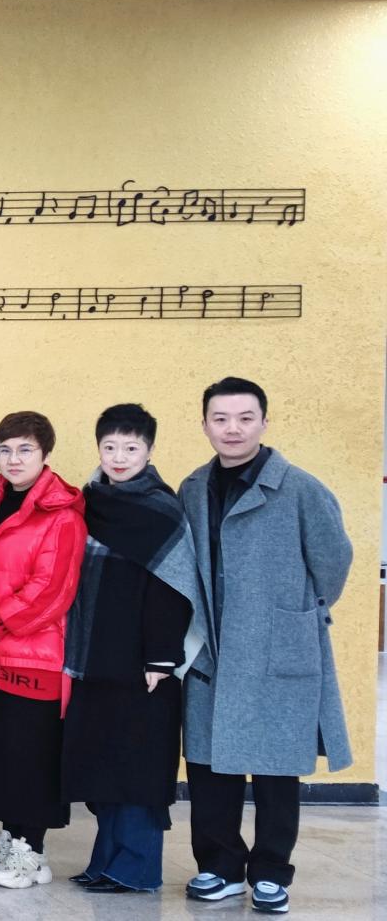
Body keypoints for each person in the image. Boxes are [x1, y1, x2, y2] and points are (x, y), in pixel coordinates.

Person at [178, 377, 351, 915]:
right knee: (209, 763)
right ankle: (220, 866)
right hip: (212, 647)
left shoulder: (300, 488)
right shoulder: (192, 487)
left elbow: (333, 563)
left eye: (244, 417)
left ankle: (272, 871)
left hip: (276, 646)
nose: (232, 428)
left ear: (264, 423)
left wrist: (295, 617)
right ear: (205, 424)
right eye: (221, 418)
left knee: (277, 767)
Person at [61, 404, 199, 894]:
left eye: (131, 448)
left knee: (138, 768)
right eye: (110, 447)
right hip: (93, 656)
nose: (119, 458)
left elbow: (174, 589)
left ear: (149, 451)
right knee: (103, 763)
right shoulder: (89, 501)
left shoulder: (162, 510)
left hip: (144, 663)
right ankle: (106, 862)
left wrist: (161, 657)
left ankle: (136, 869)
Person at [0, 411, 87, 889]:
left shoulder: (62, 515)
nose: (14, 459)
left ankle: (32, 851)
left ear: (45, 454)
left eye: (25, 449)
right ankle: (13, 840)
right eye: (5, 450)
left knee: (34, 756)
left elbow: (51, 590)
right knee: (4, 754)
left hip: (37, 655)